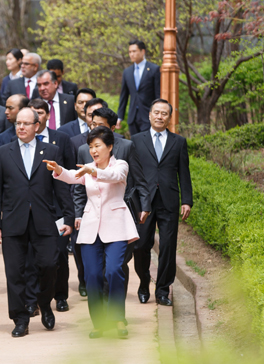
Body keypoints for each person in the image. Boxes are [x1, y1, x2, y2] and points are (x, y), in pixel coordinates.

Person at [45, 126, 139, 339]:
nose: (93, 151)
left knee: (114, 270)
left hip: (116, 227)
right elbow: (71, 176)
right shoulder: (87, 167)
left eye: (97, 146)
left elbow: (114, 176)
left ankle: (117, 318)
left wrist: (93, 171)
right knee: (93, 275)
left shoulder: (121, 165)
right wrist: (58, 169)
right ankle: (98, 323)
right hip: (90, 228)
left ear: (110, 146)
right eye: (90, 147)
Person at [0, 108, 74, 337]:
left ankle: (44, 303)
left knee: (48, 265)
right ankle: (20, 318)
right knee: (15, 272)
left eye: (26, 123)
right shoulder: (2, 153)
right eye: (18, 123)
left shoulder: (51, 151)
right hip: (13, 222)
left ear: (37, 126)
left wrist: (69, 217)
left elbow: (62, 186)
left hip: (44, 220)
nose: (21, 127)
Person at [73, 107, 150, 297]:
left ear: (112, 129)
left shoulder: (126, 148)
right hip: (93, 220)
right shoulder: (85, 151)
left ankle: (115, 313)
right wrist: (78, 212)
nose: (94, 128)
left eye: (100, 126)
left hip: (121, 215)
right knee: (94, 272)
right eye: (93, 124)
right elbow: (76, 183)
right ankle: (101, 316)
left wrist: (145, 205)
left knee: (115, 267)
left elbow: (136, 178)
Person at [131, 99, 193, 306]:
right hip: (143, 202)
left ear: (169, 117)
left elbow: (184, 173)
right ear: (149, 115)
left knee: (168, 246)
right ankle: (143, 282)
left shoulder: (179, 142)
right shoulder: (137, 140)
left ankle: (163, 290)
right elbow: (132, 172)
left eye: (164, 113)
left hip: (169, 200)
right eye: (156, 112)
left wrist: (187, 200)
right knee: (140, 245)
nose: (159, 116)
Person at [27, 98, 76, 313]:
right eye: (32, 112)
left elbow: (69, 176)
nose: (37, 116)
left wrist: (69, 214)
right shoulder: (18, 141)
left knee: (58, 255)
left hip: (55, 208)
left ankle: (61, 295)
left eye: (40, 112)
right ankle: (35, 298)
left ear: (47, 115)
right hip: (30, 210)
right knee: (33, 258)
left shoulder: (62, 139)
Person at [117, 40, 161, 137]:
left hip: (148, 116)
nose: (131, 54)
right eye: (130, 52)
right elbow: (123, 96)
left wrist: (158, 114)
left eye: (134, 51)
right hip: (133, 117)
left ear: (142, 51)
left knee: (147, 146)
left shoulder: (154, 69)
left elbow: (158, 94)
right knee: (135, 146)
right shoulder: (127, 72)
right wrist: (120, 117)